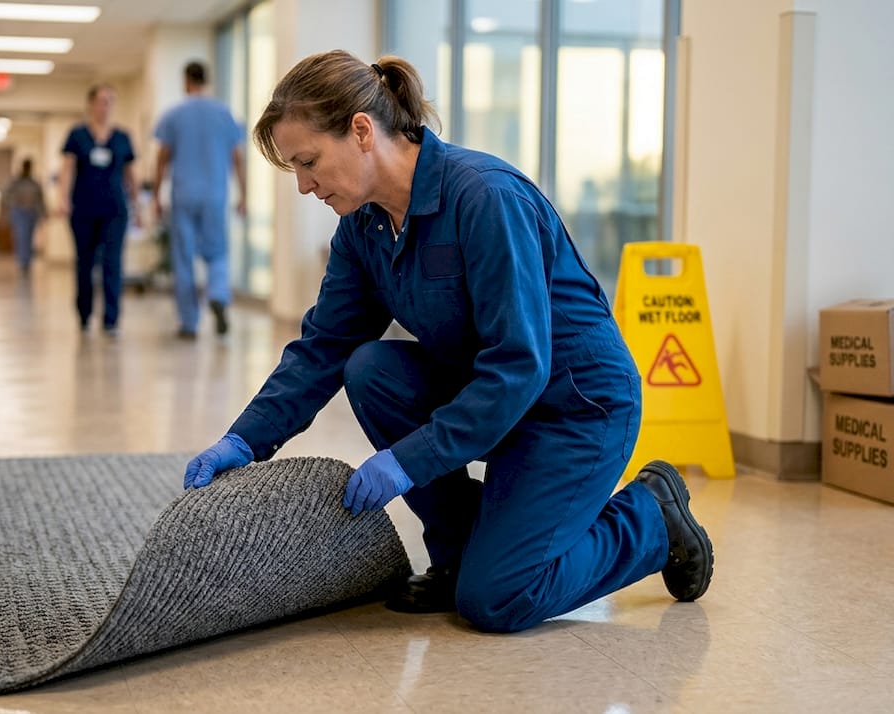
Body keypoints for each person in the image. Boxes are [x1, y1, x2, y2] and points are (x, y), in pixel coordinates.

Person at [182, 51, 714, 634]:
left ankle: (651, 519)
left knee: (498, 598)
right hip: (496, 398)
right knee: (371, 368)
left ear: (361, 131)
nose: (305, 185)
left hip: (575, 407)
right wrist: (246, 437)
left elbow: (519, 365)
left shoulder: (485, 198)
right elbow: (325, 346)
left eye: (308, 162)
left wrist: (408, 461)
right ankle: (459, 552)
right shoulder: (363, 227)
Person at [153, 60, 247, 339]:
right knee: (217, 252)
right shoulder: (224, 114)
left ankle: (189, 323)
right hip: (215, 195)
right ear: (206, 80)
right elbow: (237, 158)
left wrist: (156, 194)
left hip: (183, 194)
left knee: (183, 258)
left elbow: (162, 158)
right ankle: (218, 295)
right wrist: (244, 195)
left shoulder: (174, 114)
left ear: (186, 80)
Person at [58, 84, 137, 336]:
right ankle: (84, 315)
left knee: (113, 263)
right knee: (85, 263)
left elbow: (130, 175)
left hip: (114, 210)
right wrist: (63, 198)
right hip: (84, 209)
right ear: (91, 104)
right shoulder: (77, 135)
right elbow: (67, 169)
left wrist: (138, 205)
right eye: (102, 101)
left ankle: (111, 319)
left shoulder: (122, 137)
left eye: (110, 101)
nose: (106, 106)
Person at [4, 158, 47, 274]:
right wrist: (12, 207)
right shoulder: (16, 182)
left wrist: (43, 214)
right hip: (19, 212)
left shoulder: (34, 183)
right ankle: (22, 262)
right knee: (21, 237)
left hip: (31, 212)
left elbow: (40, 199)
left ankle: (27, 262)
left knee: (28, 238)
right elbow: (6, 196)